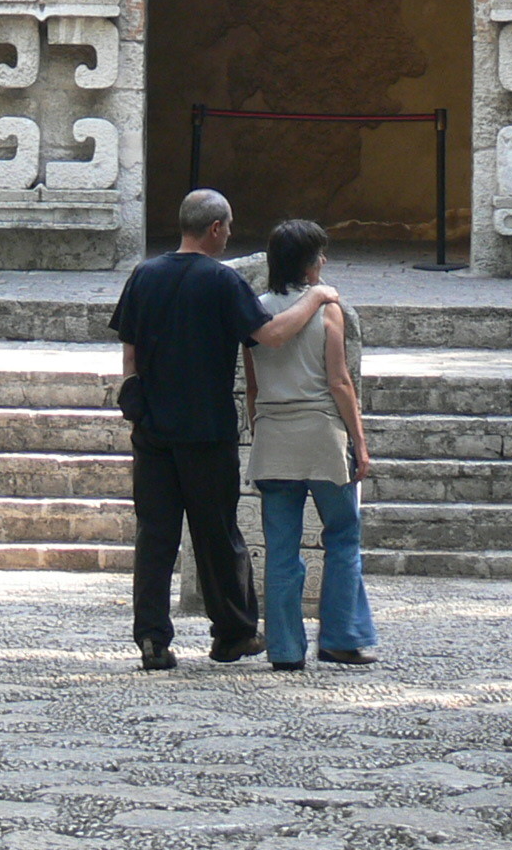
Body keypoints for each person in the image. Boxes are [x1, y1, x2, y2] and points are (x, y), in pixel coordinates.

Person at [109, 189, 341, 672]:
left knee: (155, 535)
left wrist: (135, 400)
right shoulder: (222, 281)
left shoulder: (143, 275)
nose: (231, 234)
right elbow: (272, 333)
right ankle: (232, 633)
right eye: (229, 226)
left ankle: (152, 639)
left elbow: (128, 355)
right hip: (206, 427)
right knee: (217, 534)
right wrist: (318, 295)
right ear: (216, 228)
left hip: (151, 426)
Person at [246, 219, 376, 670]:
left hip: (273, 438)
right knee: (342, 536)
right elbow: (339, 381)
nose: (324, 261)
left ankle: (284, 648)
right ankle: (341, 637)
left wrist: (259, 427)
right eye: (319, 254)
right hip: (322, 437)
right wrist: (359, 442)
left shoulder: (256, 308)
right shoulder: (328, 309)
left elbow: (252, 388)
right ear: (307, 262)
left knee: (281, 549)